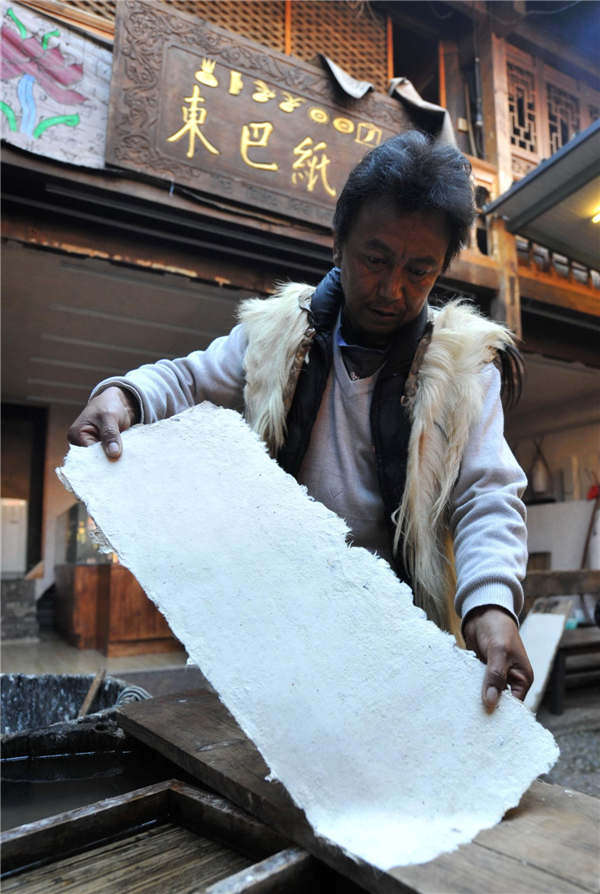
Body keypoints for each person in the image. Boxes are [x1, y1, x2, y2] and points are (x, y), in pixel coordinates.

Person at [68, 131, 533, 710]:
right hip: (282, 611)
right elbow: (187, 379)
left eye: (420, 270)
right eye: (376, 259)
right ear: (337, 244)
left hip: (400, 619)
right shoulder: (276, 334)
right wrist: (124, 397)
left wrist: (490, 606)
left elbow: (485, 494)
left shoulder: (466, 368)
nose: (393, 289)